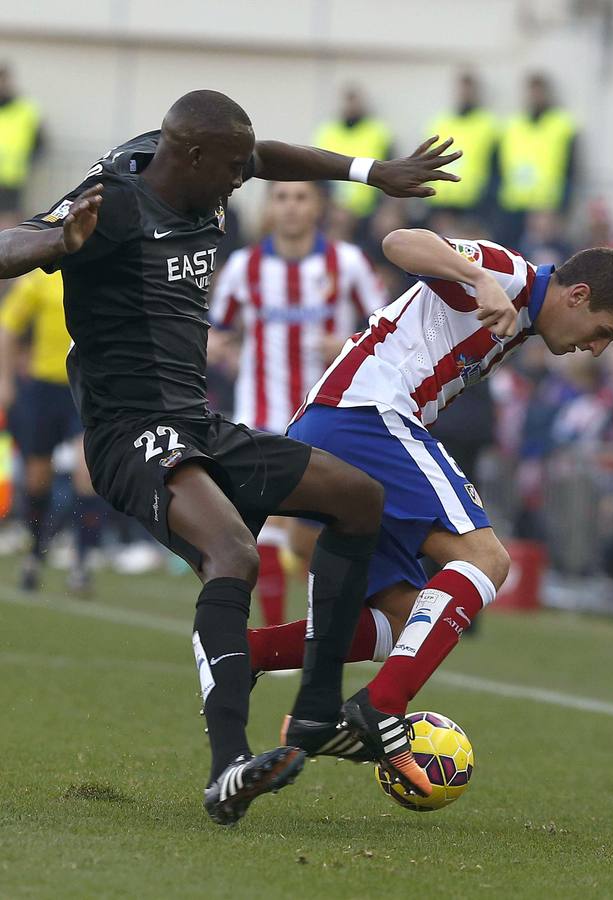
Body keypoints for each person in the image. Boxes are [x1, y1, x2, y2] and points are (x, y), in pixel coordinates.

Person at [0, 90, 463, 824]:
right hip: (131, 434)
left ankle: (314, 717)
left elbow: (266, 153)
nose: (242, 183)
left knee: (359, 499)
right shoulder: (113, 203)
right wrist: (58, 245)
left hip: (200, 423)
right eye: (231, 170)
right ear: (189, 158)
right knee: (235, 555)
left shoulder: (196, 157)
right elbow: (10, 245)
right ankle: (228, 771)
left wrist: (372, 172)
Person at [248, 230, 613, 757]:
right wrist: (480, 277)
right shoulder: (510, 275)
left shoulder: (522, 322)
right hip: (365, 416)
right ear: (576, 296)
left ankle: (244, 653)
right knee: (485, 559)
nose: (596, 348)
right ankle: (380, 709)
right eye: (604, 332)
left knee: (405, 621)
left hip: (336, 424)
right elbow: (398, 242)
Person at [209, 180, 387, 626]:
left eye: (300, 197)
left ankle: (331, 624)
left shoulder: (346, 264)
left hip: (327, 420)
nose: (290, 207)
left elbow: (387, 330)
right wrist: (221, 347)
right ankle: (273, 630)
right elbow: (216, 329)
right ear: (270, 207)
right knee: (263, 530)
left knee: (318, 535)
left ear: (318, 206)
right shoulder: (243, 267)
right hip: (259, 416)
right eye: (281, 197)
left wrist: (347, 343)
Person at [0, 268, 102, 593]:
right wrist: (5, 378)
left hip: (85, 388)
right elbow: (8, 326)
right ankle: (34, 553)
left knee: (88, 472)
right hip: (45, 389)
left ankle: (82, 563)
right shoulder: (41, 279)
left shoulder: (101, 273)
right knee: (37, 479)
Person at [496, 73, 578, 248]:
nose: (535, 96)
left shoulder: (561, 124)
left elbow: (571, 169)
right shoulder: (513, 124)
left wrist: (562, 207)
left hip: (546, 205)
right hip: (514, 204)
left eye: (539, 91)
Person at [423, 72, 499, 227]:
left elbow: (495, 165)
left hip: (473, 202)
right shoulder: (440, 122)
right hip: (441, 201)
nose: (464, 94)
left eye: (468, 90)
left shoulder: (488, 124)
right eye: (461, 89)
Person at [313, 85, 394, 223]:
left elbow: (392, 171)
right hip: (332, 212)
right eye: (348, 100)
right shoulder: (326, 132)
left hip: (370, 212)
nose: (351, 106)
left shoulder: (378, 132)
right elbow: (316, 174)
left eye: (355, 100)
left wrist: (386, 210)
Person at [0, 64, 44, 228]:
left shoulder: (25, 109)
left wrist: (27, 162)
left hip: (11, 177)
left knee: (8, 220)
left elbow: (40, 143)